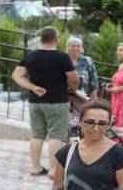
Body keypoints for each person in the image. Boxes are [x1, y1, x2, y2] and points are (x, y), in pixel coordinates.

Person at [49, 100, 123, 190]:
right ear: (80, 122)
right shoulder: (67, 152)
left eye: (102, 124)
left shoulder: (120, 154)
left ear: (109, 125)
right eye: (90, 122)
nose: (96, 128)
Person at [11, 26, 79, 178]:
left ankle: (35, 167)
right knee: (56, 135)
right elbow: (74, 78)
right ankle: (54, 170)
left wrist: (33, 87)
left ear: (41, 38)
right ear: (56, 39)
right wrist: (73, 89)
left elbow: (16, 76)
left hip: (35, 101)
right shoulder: (62, 57)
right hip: (58, 101)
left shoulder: (30, 56)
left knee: (37, 134)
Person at [67, 36, 98, 101]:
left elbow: (93, 80)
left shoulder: (87, 60)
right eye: (73, 46)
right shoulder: (62, 59)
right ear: (68, 47)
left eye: (78, 46)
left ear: (81, 48)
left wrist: (93, 96)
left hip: (82, 97)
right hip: (64, 96)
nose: (75, 48)